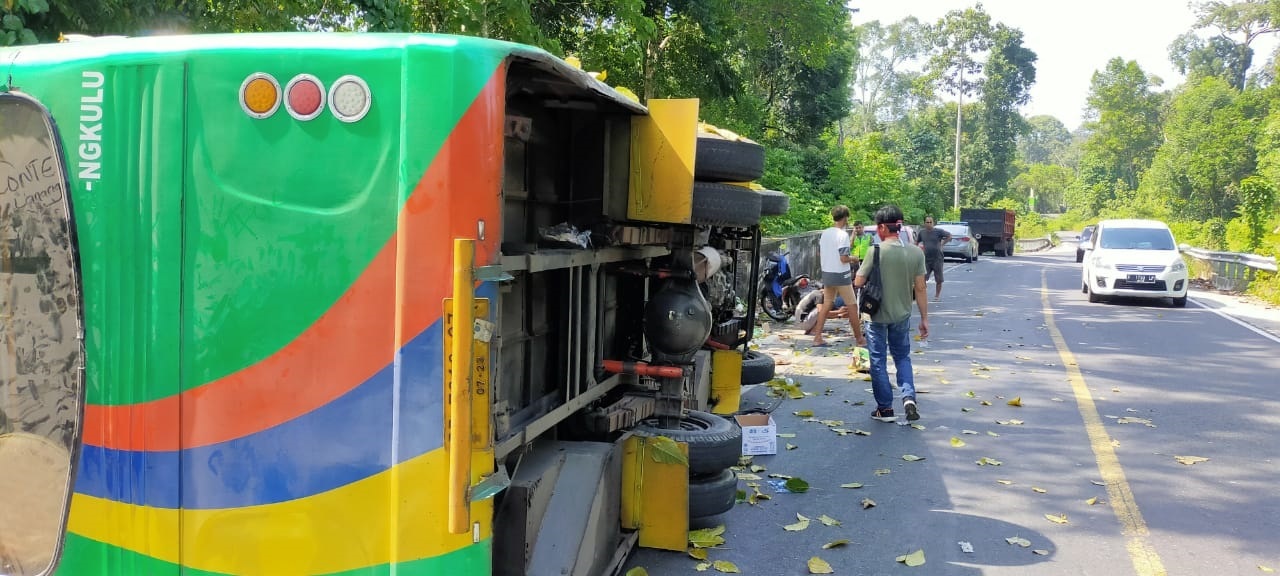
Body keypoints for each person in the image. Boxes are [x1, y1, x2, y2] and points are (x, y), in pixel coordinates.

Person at [855, 204, 928, 422]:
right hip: (902, 315)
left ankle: (885, 409)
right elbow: (921, 288)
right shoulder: (915, 253)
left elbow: (859, 281)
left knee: (877, 360)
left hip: (876, 316)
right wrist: (924, 318)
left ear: (882, 229)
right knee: (902, 357)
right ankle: (908, 398)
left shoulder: (874, 251)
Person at [810, 205, 865, 347]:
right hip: (841, 275)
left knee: (827, 304)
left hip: (827, 274)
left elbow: (821, 253)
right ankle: (859, 339)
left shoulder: (825, 233)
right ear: (845, 218)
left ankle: (817, 337)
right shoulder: (843, 235)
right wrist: (854, 258)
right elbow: (844, 258)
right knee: (852, 306)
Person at [916, 215, 952, 301]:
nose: (929, 224)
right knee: (923, 277)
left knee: (938, 279)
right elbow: (916, 242)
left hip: (937, 258)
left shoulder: (938, 231)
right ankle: (923, 294)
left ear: (933, 223)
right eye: (927, 222)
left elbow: (949, 236)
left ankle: (937, 296)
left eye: (930, 222)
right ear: (924, 223)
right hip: (926, 258)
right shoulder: (922, 233)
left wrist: (942, 244)